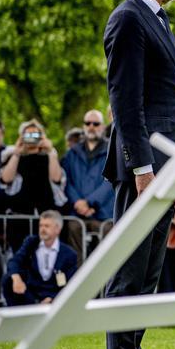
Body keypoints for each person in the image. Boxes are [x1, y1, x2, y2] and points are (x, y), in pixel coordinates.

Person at [102, 0, 175, 349]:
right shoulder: (128, 19)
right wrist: (142, 169)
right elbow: (125, 103)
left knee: (149, 270)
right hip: (145, 168)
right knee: (130, 267)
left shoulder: (157, 19)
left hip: (165, 164)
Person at [61, 109, 114, 260]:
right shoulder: (72, 153)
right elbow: (66, 181)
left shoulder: (112, 150)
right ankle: (79, 274)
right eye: (88, 123)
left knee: (106, 250)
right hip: (77, 214)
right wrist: (78, 203)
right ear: (83, 126)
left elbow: (111, 181)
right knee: (73, 232)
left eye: (96, 124)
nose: (91, 127)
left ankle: (106, 275)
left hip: (103, 214)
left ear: (102, 126)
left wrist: (90, 203)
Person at [1, 211, 78, 306]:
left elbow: (71, 282)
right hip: (31, 292)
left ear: (57, 229)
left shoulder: (69, 254)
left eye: (47, 226)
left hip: (54, 294)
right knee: (8, 279)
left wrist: (53, 298)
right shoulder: (31, 243)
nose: (42, 229)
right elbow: (15, 261)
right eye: (41, 226)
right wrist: (16, 278)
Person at [0, 119, 68, 219]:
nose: (31, 138)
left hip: (46, 214)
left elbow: (56, 179)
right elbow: (5, 179)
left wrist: (50, 151)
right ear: (21, 137)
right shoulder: (13, 157)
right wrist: (17, 153)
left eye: (35, 135)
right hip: (19, 214)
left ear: (41, 136)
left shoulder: (49, 156)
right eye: (28, 135)